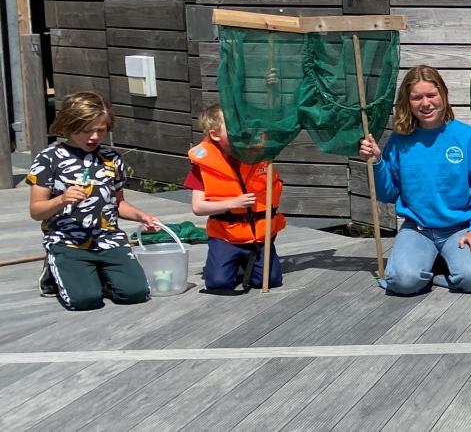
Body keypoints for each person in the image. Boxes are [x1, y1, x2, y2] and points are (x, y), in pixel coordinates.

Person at [359, 66, 471, 295]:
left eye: (431, 95)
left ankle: (437, 268)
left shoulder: (469, 137)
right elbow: (386, 193)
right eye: (417, 97)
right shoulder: (400, 140)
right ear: (408, 101)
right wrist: (376, 162)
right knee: (403, 282)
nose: (425, 103)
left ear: (444, 93)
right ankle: (427, 265)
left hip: (460, 229)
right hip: (417, 229)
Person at [27, 92, 163, 310]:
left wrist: (141, 216)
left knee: (136, 293)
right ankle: (55, 271)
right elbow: (36, 211)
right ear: (69, 126)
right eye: (86, 131)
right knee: (84, 301)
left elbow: (118, 203)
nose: (94, 137)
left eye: (100, 130)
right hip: (67, 240)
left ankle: (99, 274)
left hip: (108, 239)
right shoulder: (48, 158)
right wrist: (62, 200)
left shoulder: (112, 158)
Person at [187, 104, 284, 292]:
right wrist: (232, 203)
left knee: (271, 280)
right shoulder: (204, 164)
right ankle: (234, 260)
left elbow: (274, 117)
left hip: (259, 236)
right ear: (215, 135)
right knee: (218, 283)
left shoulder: (261, 153)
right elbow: (198, 207)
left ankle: (247, 261)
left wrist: (270, 85)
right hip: (226, 236)